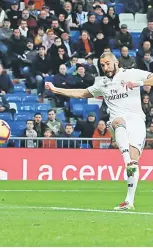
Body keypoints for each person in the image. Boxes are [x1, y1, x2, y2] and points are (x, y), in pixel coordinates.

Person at [45, 52, 153, 211]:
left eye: (108, 63)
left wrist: (138, 83)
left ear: (116, 62)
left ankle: (129, 201)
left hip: (137, 122)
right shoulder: (102, 83)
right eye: (102, 65)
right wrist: (56, 90)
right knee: (118, 122)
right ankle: (126, 161)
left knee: (135, 162)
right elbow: (81, 93)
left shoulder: (131, 73)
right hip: (117, 122)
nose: (105, 67)